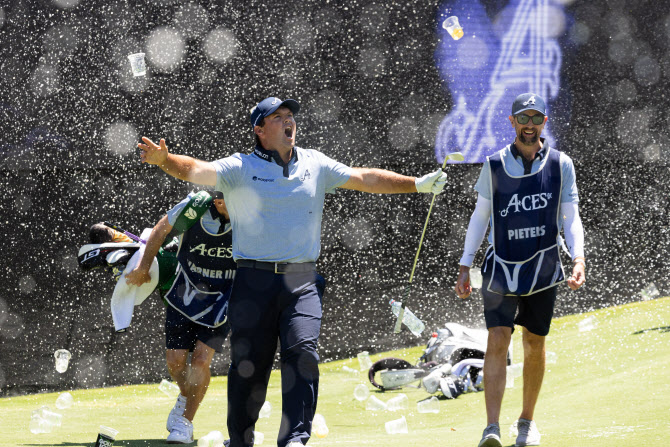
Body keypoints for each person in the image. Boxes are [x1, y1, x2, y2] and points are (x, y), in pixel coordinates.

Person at [137, 96, 449, 447]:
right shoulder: (240, 167)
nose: (289, 121)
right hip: (252, 281)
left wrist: (417, 184)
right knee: (249, 367)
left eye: (290, 116)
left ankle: (295, 439)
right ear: (260, 130)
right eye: (278, 117)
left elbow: (364, 177)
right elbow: (196, 169)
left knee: (302, 353)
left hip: (302, 281)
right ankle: (240, 440)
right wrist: (165, 161)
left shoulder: (315, 163)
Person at [454, 93, 586, 447]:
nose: (530, 125)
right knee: (497, 338)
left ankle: (526, 423)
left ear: (544, 122)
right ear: (512, 122)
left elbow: (570, 217)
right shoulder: (494, 164)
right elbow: (480, 215)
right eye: (523, 118)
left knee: (534, 341)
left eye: (536, 118)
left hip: (544, 266)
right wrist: (465, 264)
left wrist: (578, 258)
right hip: (501, 266)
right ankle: (491, 428)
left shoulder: (561, 164)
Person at [125, 190, 235, 444]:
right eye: (234, 199)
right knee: (175, 362)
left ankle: (185, 422)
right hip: (184, 292)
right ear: (218, 201)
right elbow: (160, 230)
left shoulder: (252, 212)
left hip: (223, 299)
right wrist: (143, 268)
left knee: (200, 361)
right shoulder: (195, 206)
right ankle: (187, 395)